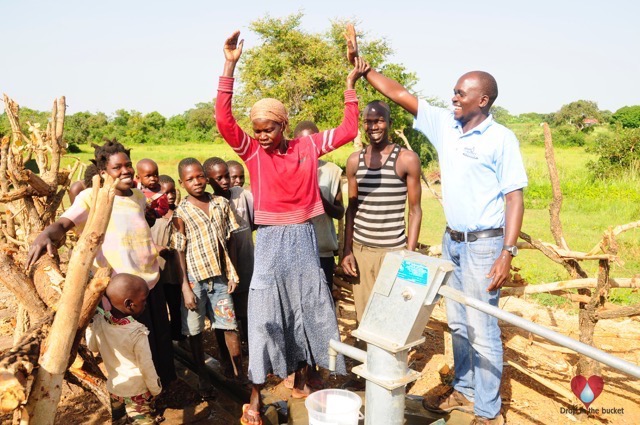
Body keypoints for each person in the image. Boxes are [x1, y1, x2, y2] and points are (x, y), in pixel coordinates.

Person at [346, 28, 527, 425]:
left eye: (461, 93)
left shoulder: (501, 139)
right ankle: (463, 391)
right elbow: (400, 94)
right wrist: (366, 68)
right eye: (454, 92)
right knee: (459, 322)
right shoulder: (447, 125)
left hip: (484, 245)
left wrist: (507, 253)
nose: (453, 98)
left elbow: (515, 198)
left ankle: (488, 411)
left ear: (483, 99)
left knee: (483, 326)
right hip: (453, 242)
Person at [215, 30, 368, 425]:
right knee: (265, 313)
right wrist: (229, 65)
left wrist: (350, 86)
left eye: (269, 128)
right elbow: (223, 120)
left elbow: (349, 130)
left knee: (308, 308)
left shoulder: (307, 147)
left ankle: (307, 376)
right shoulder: (251, 152)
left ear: (283, 125)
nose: (262, 135)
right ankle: (254, 396)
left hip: (302, 238)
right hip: (267, 239)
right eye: (258, 128)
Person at [26, 139, 177, 387]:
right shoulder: (91, 197)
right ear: (103, 172)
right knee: (131, 344)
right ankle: (140, 395)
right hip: (122, 289)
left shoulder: (138, 196)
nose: (126, 171)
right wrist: (44, 236)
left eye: (128, 165)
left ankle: (165, 383)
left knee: (159, 334)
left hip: (151, 279)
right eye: (118, 168)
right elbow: (64, 224)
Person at [340, 100, 422, 326]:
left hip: (393, 251)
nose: (373, 126)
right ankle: (366, 359)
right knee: (364, 316)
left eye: (379, 121)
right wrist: (347, 250)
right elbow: (352, 209)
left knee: (392, 316)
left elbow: (415, 211)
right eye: (368, 122)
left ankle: (390, 361)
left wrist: (409, 254)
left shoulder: (406, 159)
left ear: (389, 123)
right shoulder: (355, 160)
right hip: (362, 250)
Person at [171, 157, 245, 399]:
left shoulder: (221, 204)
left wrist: (232, 272)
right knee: (195, 330)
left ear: (206, 177)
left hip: (221, 278)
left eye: (199, 177)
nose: (197, 182)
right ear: (182, 184)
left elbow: (230, 239)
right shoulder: (181, 213)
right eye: (190, 179)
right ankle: (202, 374)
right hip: (195, 280)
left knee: (229, 324)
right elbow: (179, 251)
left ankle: (238, 373)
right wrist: (185, 288)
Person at [85, 273, 161, 425]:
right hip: (137, 392)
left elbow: (92, 347)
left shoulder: (100, 322)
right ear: (129, 304)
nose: (146, 304)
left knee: (119, 422)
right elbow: (146, 366)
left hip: (115, 390)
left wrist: (90, 325)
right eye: (143, 300)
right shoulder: (137, 332)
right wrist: (155, 390)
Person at [203, 157, 254, 353]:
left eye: (228, 177)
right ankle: (228, 353)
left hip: (245, 261)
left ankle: (250, 346)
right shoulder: (209, 202)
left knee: (246, 309)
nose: (227, 182)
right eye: (220, 178)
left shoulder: (242, 195)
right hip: (222, 268)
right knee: (224, 310)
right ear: (209, 180)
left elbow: (255, 221)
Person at [293, 121, 345, 292]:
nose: (308, 147)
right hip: (294, 252)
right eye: (302, 142)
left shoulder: (332, 171)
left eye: (313, 141)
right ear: (294, 142)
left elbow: (339, 212)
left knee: (323, 300)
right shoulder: (287, 168)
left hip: (322, 252)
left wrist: (321, 200)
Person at [150, 174, 185, 343]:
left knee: (176, 305)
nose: (170, 196)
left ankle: (178, 336)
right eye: (166, 193)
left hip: (174, 271)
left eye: (173, 192)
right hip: (157, 270)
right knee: (159, 308)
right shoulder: (152, 216)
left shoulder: (179, 213)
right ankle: (163, 338)